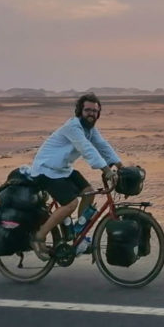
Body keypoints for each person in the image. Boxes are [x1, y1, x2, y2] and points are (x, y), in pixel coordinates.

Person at [24, 92, 123, 255]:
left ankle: (79, 234)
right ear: (80, 111)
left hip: (62, 169)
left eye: (95, 111)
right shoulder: (73, 127)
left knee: (89, 192)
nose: (91, 114)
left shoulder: (90, 129)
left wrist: (120, 166)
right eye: (88, 110)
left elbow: (103, 146)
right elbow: (86, 148)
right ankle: (38, 236)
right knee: (70, 204)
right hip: (45, 170)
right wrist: (106, 170)